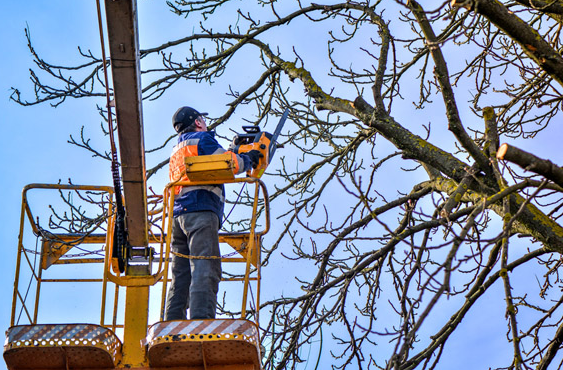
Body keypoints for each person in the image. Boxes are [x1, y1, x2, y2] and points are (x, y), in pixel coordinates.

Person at [165, 106, 262, 320]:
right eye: (203, 119)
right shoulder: (202, 140)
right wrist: (249, 158)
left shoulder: (177, 149)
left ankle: (172, 323)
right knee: (204, 266)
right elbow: (229, 164)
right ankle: (201, 322)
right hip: (200, 210)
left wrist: (233, 151)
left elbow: (215, 164)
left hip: (178, 216)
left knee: (180, 275)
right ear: (198, 122)